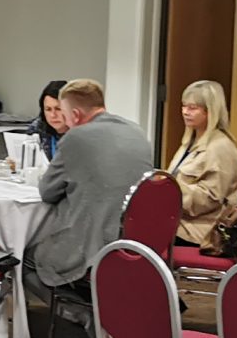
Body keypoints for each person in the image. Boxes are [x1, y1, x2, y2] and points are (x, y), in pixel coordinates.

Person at [27, 79, 156, 293]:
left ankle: (79, 314)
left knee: (22, 259)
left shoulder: (76, 137)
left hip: (93, 243)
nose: (66, 123)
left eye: (66, 117)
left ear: (76, 115)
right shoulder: (137, 131)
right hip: (138, 240)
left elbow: (48, 192)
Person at [169, 78, 237, 250]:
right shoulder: (191, 141)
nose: (185, 112)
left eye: (192, 108)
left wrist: (169, 189)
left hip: (200, 232)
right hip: (181, 221)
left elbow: (210, 199)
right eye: (183, 106)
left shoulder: (221, 148)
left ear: (211, 111)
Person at [30, 80, 72, 160]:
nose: (53, 115)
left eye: (58, 109)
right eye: (48, 109)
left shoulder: (82, 133)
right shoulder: (38, 127)